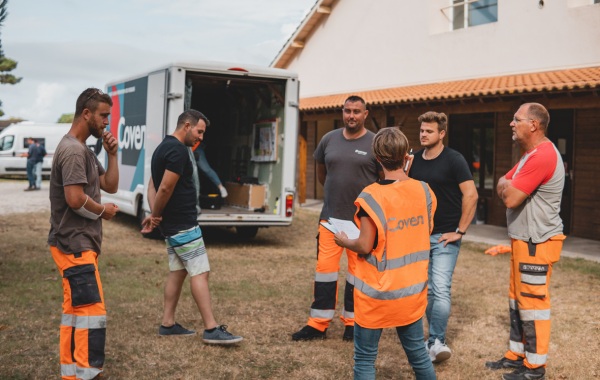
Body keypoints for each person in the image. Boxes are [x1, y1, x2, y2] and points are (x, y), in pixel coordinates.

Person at [334, 127, 437, 379]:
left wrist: (344, 241)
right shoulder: (424, 190)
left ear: (377, 158)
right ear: (406, 156)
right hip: (412, 291)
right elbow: (423, 230)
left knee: (365, 359)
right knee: (419, 355)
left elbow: (365, 245)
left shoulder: (371, 195)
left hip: (376, 295)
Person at [141, 109, 242, 345]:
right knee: (200, 271)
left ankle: (167, 323)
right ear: (186, 125)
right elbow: (164, 188)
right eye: (199, 131)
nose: (201, 137)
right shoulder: (177, 150)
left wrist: (155, 215)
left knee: (178, 271)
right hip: (183, 224)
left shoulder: (162, 148)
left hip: (172, 225)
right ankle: (211, 328)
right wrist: (155, 216)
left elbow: (151, 187)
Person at [292, 95, 381, 342]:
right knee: (325, 272)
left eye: (356, 111)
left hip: (361, 222)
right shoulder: (328, 139)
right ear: (342, 112)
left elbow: (381, 181)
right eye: (347, 111)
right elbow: (323, 173)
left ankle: (353, 323)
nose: (351, 115)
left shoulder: (375, 142)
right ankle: (317, 324)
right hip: (330, 219)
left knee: (357, 274)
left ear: (365, 113)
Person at [486, 103, 565, 380]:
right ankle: (516, 355)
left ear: (533, 125)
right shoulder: (530, 155)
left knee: (533, 305)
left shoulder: (541, 156)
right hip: (524, 241)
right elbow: (501, 181)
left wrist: (508, 186)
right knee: (517, 300)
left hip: (537, 242)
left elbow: (509, 195)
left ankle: (535, 368)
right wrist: (508, 185)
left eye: (516, 119)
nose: (511, 123)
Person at [47, 88, 119, 380]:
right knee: (90, 310)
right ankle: (87, 373)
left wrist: (113, 155)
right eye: (103, 116)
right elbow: (75, 199)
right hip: (74, 243)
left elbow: (110, 185)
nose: (106, 122)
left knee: (75, 310)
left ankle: (72, 373)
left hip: (76, 243)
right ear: (86, 114)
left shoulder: (83, 149)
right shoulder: (74, 151)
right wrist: (104, 212)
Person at [408, 111, 478, 363]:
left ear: (441, 134)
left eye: (429, 131)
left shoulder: (454, 160)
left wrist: (460, 231)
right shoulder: (413, 159)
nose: (423, 134)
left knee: (441, 289)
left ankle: (437, 341)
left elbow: (471, 195)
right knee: (425, 291)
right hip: (417, 235)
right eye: (422, 130)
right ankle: (429, 339)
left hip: (444, 236)